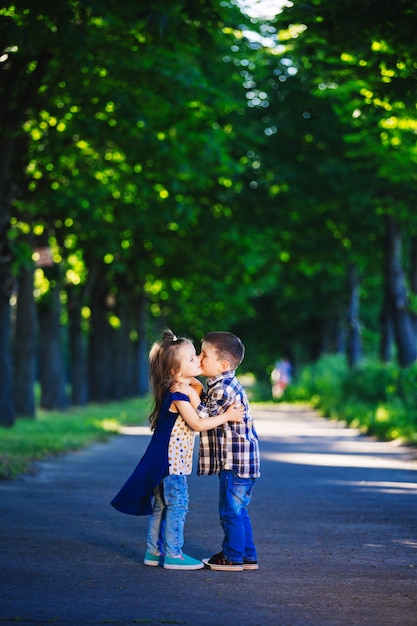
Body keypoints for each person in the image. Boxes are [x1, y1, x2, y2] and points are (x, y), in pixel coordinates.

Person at [110, 329, 244, 571]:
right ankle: (174, 554)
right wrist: (228, 415)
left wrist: (194, 382)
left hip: (165, 461)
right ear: (174, 371)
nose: (199, 360)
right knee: (178, 504)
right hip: (172, 463)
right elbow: (198, 423)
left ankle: (154, 551)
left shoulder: (181, 386)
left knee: (161, 506)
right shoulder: (179, 394)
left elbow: (200, 399)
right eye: (193, 358)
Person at [184, 331, 261, 572]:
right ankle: (247, 555)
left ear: (223, 364)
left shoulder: (224, 388)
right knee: (239, 510)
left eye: (204, 354)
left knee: (230, 511)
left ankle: (232, 557)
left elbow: (205, 414)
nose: (199, 358)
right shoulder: (222, 383)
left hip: (235, 463)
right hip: (243, 462)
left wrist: (189, 394)